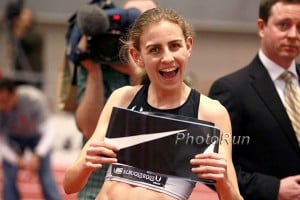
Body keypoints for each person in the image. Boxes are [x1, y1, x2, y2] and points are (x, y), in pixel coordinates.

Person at [63, 7, 243, 200]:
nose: (167, 58)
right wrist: (85, 163)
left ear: (188, 46)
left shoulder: (211, 113)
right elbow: (69, 185)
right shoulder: (122, 99)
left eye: (174, 46)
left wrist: (224, 182)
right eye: (154, 49)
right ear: (137, 56)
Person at [208, 0, 300, 199]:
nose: (293, 35)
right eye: (283, 25)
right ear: (262, 27)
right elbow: (211, 168)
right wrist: (273, 189)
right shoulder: (231, 90)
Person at [72, 1, 157, 199]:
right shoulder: (98, 61)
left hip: (148, 192)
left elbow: (162, 125)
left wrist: (137, 73)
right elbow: (89, 129)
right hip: (97, 190)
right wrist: (93, 70)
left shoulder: (168, 71)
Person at [0, 78, 61, 200]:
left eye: (5, 101)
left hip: (37, 138)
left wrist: (38, 154)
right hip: (14, 140)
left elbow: (49, 130)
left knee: (46, 175)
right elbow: (1, 140)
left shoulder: (34, 99)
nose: (2, 106)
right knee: (9, 176)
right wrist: (15, 159)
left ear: (15, 94)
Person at [4, 2, 44, 89]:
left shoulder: (36, 33)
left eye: (25, 15)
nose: (22, 17)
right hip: (19, 75)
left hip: (33, 76)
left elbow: (24, 41)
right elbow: (11, 52)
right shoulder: (16, 33)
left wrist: (19, 27)